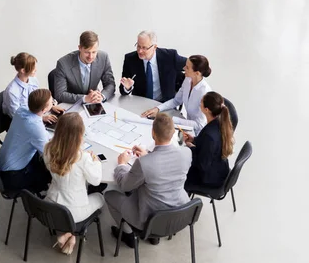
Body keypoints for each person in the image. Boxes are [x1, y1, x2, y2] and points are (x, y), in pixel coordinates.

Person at [105, 113, 192, 248]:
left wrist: (122, 164)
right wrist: (149, 156)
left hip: (151, 218)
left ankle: (128, 235)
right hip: (180, 212)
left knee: (110, 195)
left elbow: (124, 185)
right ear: (173, 132)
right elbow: (166, 168)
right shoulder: (187, 154)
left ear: (153, 133)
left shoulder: (144, 163)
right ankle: (154, 238)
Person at [44, 113, 105, 254]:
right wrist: (95, 161)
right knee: (101, 198)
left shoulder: (47, 148)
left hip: (52, 203)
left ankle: (67, 235)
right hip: (75, 212)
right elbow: (95, 180)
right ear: (79, 135)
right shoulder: (82, 157)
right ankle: (73, 233)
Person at [0, 89, 53, 193]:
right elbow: (48, 155)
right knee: (48, 173)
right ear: (44, 109)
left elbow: (36, 129)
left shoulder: (21, 109)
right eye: (51, 101)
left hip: (3, 163)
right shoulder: (35, 128)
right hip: (13, 175)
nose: (53, 102)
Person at [141, 55, 212, 134]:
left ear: (197, 73)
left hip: (198, 134)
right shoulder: (188, 80)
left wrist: (171, 119)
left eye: (187, 67)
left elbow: (200, 125)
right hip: (185, 128)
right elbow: (176, 101)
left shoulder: (205, 93)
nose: (184, 68)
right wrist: (158, 109)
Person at [184, 91, 234, 189]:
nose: (199, 103)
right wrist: (194, 140)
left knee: (177, 171)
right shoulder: (218, 124)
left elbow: (202, 164)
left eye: (201, 102)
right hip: (218, 168)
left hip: (209, 178)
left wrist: (190, 148)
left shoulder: (210, 135)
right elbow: (207, 147)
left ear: (206, 110)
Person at [119, 31, 186, 102]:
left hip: (165, 105)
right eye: (138, 46)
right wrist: (127, 88)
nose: (140, 51)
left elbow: (192, 65)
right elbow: (122, 91)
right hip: (140, 105)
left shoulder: (170, 56)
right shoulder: (130, 59)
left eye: (144, 48)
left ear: (155, 47)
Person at [54, 30, 115, 104]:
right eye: (87, 52)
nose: (91, 56)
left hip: (93, 103)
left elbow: (110, 84)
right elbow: (60, 94)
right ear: (79, 48)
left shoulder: (103, 58)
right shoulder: (63, 63)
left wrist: (101, 96)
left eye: (94, 52)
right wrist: (85, 98)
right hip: (71, 105)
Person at [2, 52, 63, 124]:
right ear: (23, 70)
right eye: (33, 68)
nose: (36, 69)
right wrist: (41, 118)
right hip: (22, 123)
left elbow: (40, 99)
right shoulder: (12, 91)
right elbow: (18, 117)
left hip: (35, 116)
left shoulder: (33, 80)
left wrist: (51, 106)